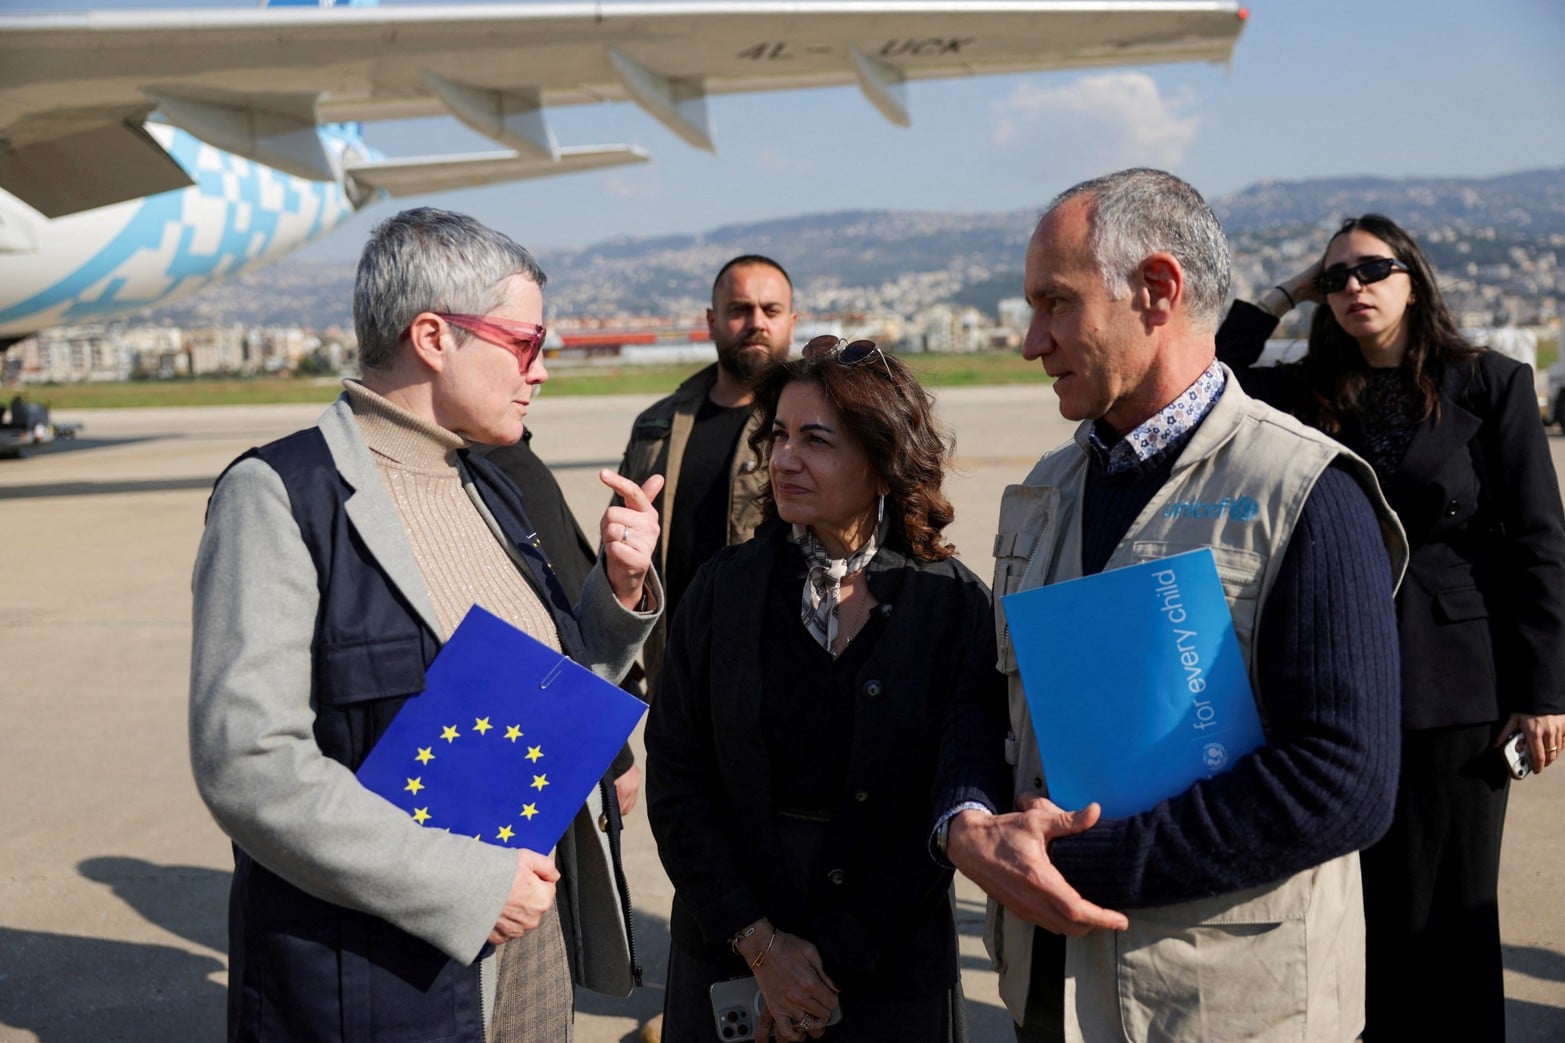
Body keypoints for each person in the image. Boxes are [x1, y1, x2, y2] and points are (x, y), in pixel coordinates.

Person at [934, 169, 1410, 1042]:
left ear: (1156, 289)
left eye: (1054, 303)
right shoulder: (1045, 491)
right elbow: (983, 692)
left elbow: (1342, 780)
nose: (1031, 341)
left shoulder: (1301, 490)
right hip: (1048, 986)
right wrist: (965, 823)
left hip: (1224, 1003)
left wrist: (1076, 859)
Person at [189, 207, 665, 1043]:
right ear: (434, 337)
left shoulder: (489, 484)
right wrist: (467, 884)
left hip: (529, 948)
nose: (540, 370)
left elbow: (542, 699)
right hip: (378, 975)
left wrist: (617, 595)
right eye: (525, 343)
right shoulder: (280, 494)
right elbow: (248, 763)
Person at [1216, 214, 1565, 1042]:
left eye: (1372, 269)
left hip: (1457, 682)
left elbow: (1539, 543)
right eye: (1335, 277)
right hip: (1333, 675)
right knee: (1361, 898)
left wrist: (1544, 692)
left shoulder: (1490, 383)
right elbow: (1208, 374)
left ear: (1414, 278)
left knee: (1453, 901)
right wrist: (1283, 294)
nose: (1353, 288)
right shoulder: (1303, 392)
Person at [645, 338, 1004, 1041]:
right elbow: (677, 780)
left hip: (889, 971)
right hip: (728, 958)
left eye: (815, 440)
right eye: (779, 435)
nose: (783, 458)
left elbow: (952, 799)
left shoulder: (954, 606)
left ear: (882, 458)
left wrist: (829, 960)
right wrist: (762, 948)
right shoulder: (721, 591)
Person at [615, 254, 797, 694]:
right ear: (712, 321)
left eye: (771, 310)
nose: (756, 323)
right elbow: (620, 550)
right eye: (740, 310)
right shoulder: (656, 426)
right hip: (674, 678)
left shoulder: (817, 429)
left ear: (792, 323)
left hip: (778, 679)